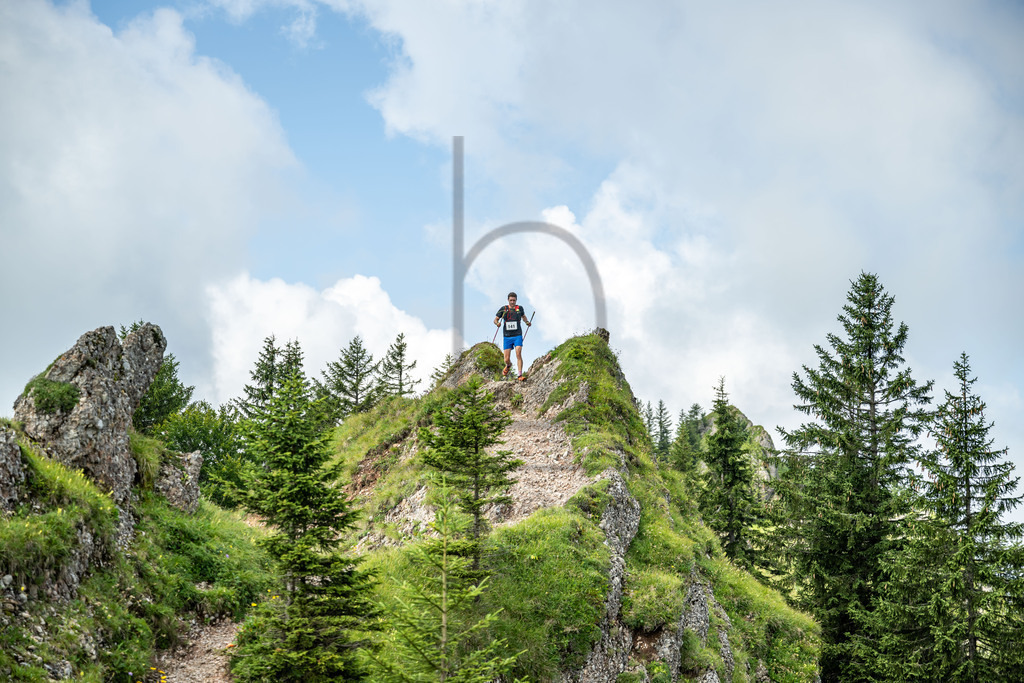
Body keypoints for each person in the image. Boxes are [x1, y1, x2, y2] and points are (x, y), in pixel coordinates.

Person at [493, 292, 531, 380]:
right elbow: (495, 320)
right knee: (506, 359)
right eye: (511, 300)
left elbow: (523, 316)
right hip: (507, 336)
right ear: (508, 300)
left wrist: (527, 322)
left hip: (517, 335)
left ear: (516, 300)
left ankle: (520, 375)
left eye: (514, 300)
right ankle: (508, 365)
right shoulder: (503, 309)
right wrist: (497, 323)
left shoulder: (519, 308)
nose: (512, 302)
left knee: (518, 353)